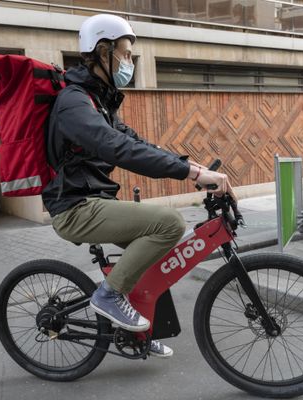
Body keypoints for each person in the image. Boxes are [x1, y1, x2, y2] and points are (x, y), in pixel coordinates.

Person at [42, 14, 236, 358]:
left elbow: (139, 143)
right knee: (169, 223)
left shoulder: (100, 102)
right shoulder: (74, 103)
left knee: (154, 256)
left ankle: (140, 332)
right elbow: (118, 148)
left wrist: (196, 168)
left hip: (95, 200)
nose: (130, 61)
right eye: (126, 53)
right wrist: (190, 176)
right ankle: (107, 295)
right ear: (103, 51)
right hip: (74, 208)